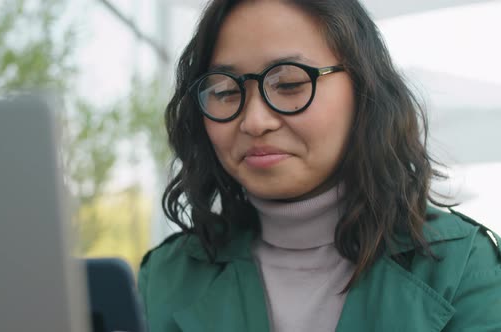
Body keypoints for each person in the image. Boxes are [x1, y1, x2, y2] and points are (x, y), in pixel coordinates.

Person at [138, 0, 501, 331]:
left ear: (363, 91)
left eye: (290, 83)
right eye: (224, 91)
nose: (254, 121)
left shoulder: (463, 266)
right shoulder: (166, 276)